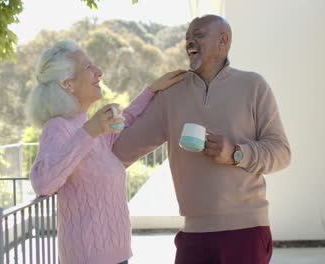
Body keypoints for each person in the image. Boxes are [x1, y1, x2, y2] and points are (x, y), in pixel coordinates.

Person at [112, 15, 291, 264]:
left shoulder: (253, 86)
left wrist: (235, 153)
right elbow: (121, 151)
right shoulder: (170, 94)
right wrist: (149, 91)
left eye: (198, 34)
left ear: (223, 40)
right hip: (193, 234)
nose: (189, 41)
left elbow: (281, 152)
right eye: (187, 37)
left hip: (246, 230)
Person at [26, 40, 186, 264]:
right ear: (67, 84)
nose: (99, 72)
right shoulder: (58, 127)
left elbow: (128, 119)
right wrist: (88, 132)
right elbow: (43, 183)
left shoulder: (92, 127)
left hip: (118, 255)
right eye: (88, 67)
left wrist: (152, 89)